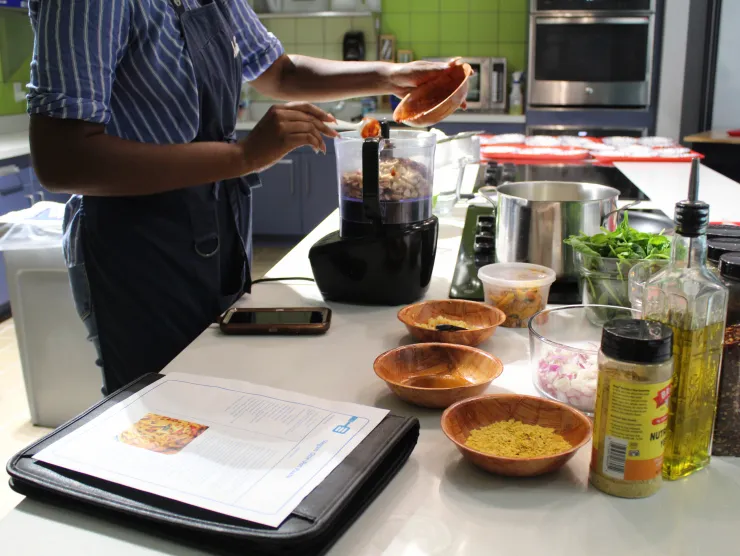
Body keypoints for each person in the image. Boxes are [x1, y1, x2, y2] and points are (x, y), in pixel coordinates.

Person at [27, 0, 457, 394]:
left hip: (217, 222)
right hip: (139, 243)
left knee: (221, 379)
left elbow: (280, 72)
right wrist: (244, 155)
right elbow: (62, 159)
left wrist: (388, 76)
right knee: (161, 407)